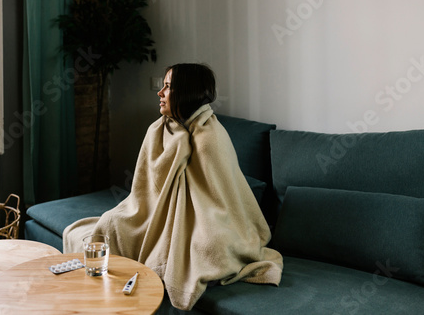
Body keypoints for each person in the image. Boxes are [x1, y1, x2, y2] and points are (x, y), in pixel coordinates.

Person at [63, 63, 283, 311]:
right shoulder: (161, 129)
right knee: (111, 222)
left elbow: (222, 197)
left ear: (185, 92)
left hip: (210, 219)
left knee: (208, 247)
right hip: (154, 214)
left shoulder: (210, 137)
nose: (160, 93)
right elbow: (146, 191)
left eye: (167, 87)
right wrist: (179, 142)